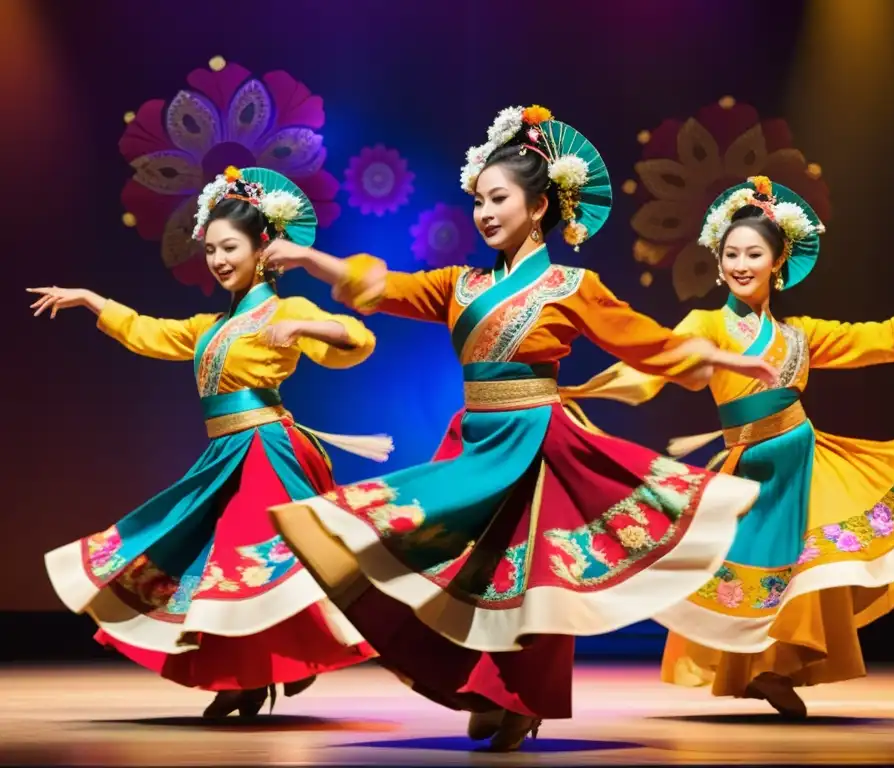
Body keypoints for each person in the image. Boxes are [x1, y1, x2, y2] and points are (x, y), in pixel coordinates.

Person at [260, 105, 774, 752]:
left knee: (535, 580)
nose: (483, 212)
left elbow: (650, 345)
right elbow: (384, 286)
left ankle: (520, 698)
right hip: (477, 441)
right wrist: (310, 258)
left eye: (498, 198)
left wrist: (728, 358)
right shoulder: (460, 284)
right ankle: (482, 685)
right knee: (464, 569)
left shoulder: (571, 285)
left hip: (538, 441)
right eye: (478, 200)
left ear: (538, 207)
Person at [560, 175, 894, 718]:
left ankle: (775, 671)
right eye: (731, 254)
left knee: (806, 570)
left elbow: (867, 338)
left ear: (776, 264)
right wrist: (582, 389)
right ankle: (749, 669)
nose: (741, 263)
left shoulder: (799, 335)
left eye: (753, 253)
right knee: (744, 571)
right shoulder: (707, 324)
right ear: (718, 265)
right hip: (749, 472)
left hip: (802, 464)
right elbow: (657, 358)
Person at [30, 166, 393, 718]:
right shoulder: (211, 326)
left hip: (267, 451)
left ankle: (268, 667)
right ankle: (248, 676)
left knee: (246, 557)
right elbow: (147, 332)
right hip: (225, 453)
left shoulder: (285, 310)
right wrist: (89, 298)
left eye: (230, 247)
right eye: (212, 250)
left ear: (262, 248)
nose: (219, 260)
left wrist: (306, 329)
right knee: (210, 558)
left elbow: (358, 338)